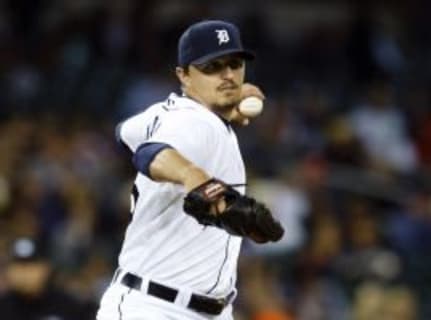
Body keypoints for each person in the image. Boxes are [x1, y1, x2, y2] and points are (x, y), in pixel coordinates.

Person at [96, 20, 284, 320]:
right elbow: (151, 154)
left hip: (204, 309)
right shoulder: (193, 122)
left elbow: (125, 132)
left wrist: (229, 106)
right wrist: (195, 177)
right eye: (212, 67)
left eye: (234, 65)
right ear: (183, 75)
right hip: (154, 309)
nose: (227, 75)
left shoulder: (169, 112)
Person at [0, 237, 90, 320]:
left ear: (46, 268)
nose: (25, 273)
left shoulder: (68, 305)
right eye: (19, 266)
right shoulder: (3, 307)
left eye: (31, 265)